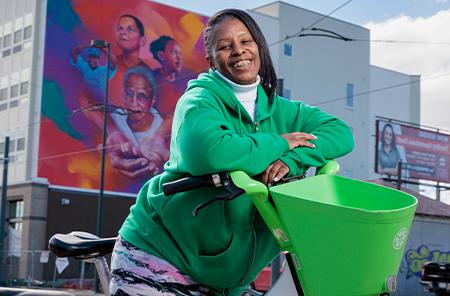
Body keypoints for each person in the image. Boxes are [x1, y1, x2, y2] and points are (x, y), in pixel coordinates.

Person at [109, 9, 354, 296]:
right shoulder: (200, 101)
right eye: (225, 46)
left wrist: (293, 159)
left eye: (246, 42)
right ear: (211, 60)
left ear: (258, 48)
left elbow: (340, 133)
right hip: (161, 257)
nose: (239, 51)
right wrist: (280, 143)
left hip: (224, 280)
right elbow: (212, 152)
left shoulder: (285, 111)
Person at [108, 65, 169, 179]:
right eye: (130, 94)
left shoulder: (162, 128)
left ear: (152, 100)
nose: (134, 101)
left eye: (141, 96)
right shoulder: (115, 118)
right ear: (124, 96)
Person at [149, 35, 195, 116]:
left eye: (180, 53)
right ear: (161, 55)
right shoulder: (150, 79)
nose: (179, 57)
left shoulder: (190, 77)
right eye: (174, 53)